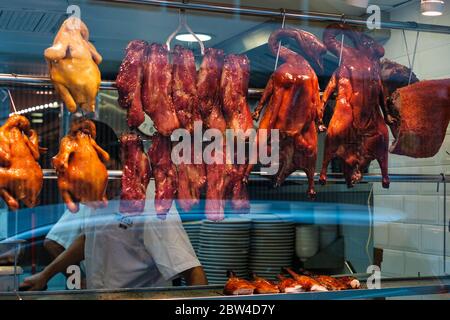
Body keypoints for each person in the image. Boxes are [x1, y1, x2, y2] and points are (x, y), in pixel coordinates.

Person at [21, 118, 207, 290]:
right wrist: (45, 276)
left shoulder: (149, 202)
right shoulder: (93, 192)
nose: (96, 184)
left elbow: (191, 269)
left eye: (104, 173)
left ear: (118, 161)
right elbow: (91, 238)